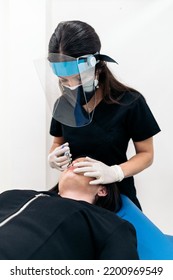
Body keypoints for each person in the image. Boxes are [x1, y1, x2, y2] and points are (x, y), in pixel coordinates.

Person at [47, 20, 161, 209]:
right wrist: (54, 156)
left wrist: (115, 172)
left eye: (78, 78)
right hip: (74, 199)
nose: (71, 86)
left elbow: (146, 154)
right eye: (63, 80)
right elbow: (57, 143)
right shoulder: (64, 104)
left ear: (97, 67)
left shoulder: (130, 103)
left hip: (115, 198)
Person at [0, 158, 139, 260]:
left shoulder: (107, 224)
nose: (75, 164)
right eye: (73, 164)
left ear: (102, 190)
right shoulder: (14, 194)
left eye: (86, 167)